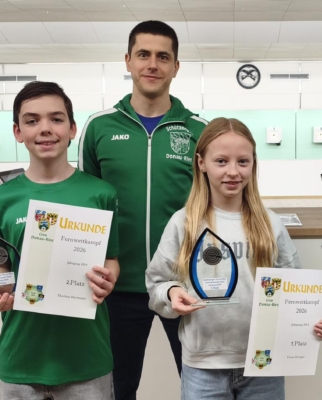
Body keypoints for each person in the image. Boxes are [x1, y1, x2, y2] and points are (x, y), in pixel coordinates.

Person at [146, 117, 322, 400]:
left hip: (264, 363)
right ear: (201, 163)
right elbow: (157, 283)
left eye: (243, 161)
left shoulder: (270, 224)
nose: (233, 171)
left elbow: (296, 288)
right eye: (221, 161)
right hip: (203, 366)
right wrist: (172, 292)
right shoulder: (184, 223)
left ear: (253, 163)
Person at [78, 20, 207, 399]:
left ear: (176, 66)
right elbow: (86, 206)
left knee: (201, 385)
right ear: (128, 61)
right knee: (119, 388)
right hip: (117, 287)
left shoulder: (198, 130)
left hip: (183, 284)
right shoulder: (99, 127)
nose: (152, 64)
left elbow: (213, 207)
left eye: (163, 57)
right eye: (144, 55)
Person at [0, 81, 119, 399]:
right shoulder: (3, 199)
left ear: (72, 129)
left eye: (56, 118)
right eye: (32, 120)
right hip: (20, 358)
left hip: (86, 359)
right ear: (17, 132)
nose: (45, 128)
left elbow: (111, 258)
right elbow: (2, 266)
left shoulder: (101, 194)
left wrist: (108, 279)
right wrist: (1, 289)